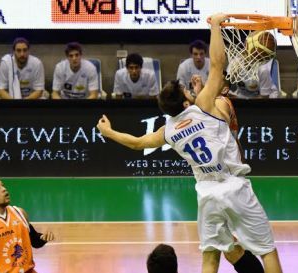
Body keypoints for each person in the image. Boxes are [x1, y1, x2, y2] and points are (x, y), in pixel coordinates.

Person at [97, 13, 283, 273]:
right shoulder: (206, 106)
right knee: (267, 250)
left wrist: (109, 132)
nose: (189, 89)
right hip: (233, 185)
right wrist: (216, 26)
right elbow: (217, 64)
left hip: (207, 194)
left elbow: (138, 143)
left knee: (210, 257)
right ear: (186, 102)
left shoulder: (169, 130)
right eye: (186, 90)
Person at [0, 177, 54, 273]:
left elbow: (34, 240)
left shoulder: (20, 213)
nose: (4, 189)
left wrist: (43, 237)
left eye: (3, 186)